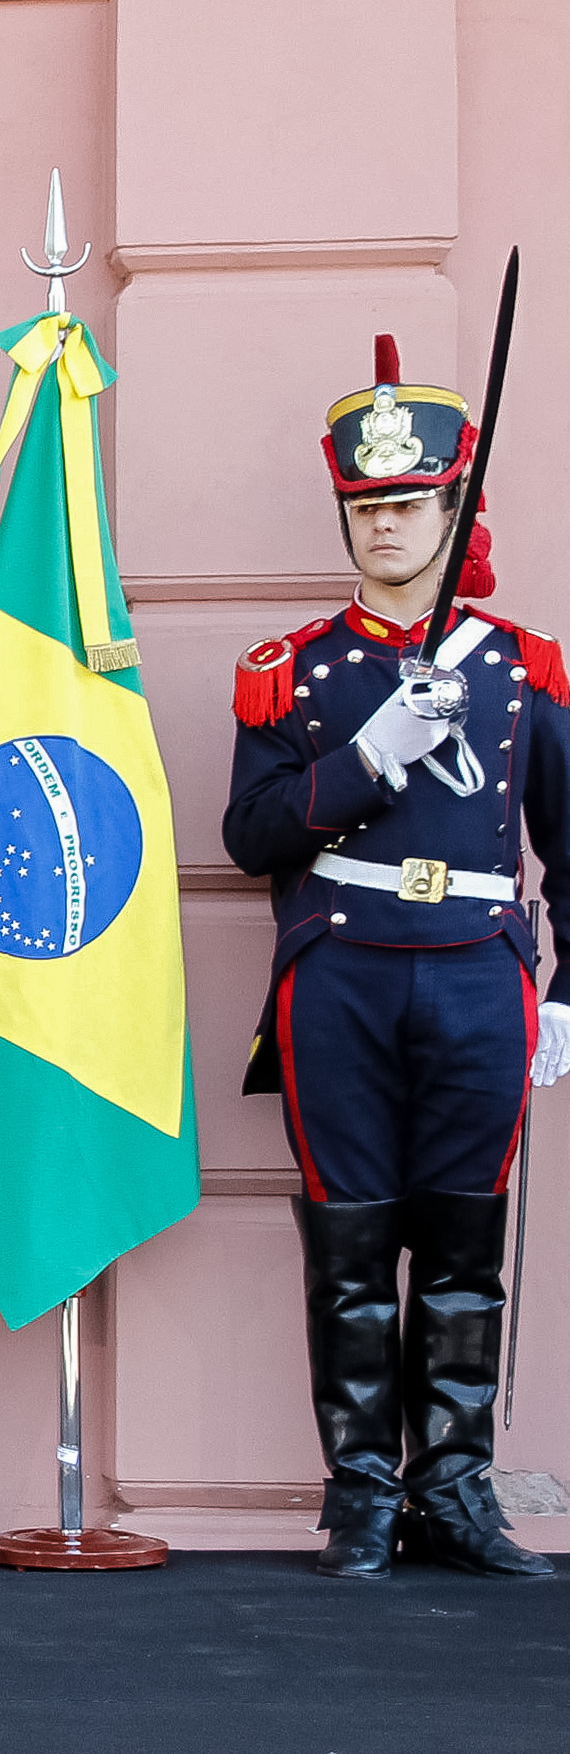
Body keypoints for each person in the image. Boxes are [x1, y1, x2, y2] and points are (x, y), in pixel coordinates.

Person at [221, 335, 560, 1581]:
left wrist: (562, 984)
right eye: (363, 507)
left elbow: (566, 847)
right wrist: (368, 753)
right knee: (349, 1243)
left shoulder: (519, 665)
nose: (383, 526)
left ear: (451, 503)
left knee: (464, 1247)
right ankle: (362, 1494)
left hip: (476, 969)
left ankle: (456, 1492)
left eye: (407, 503)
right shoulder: (293, 672)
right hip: (343, 970)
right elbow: (250, 833)